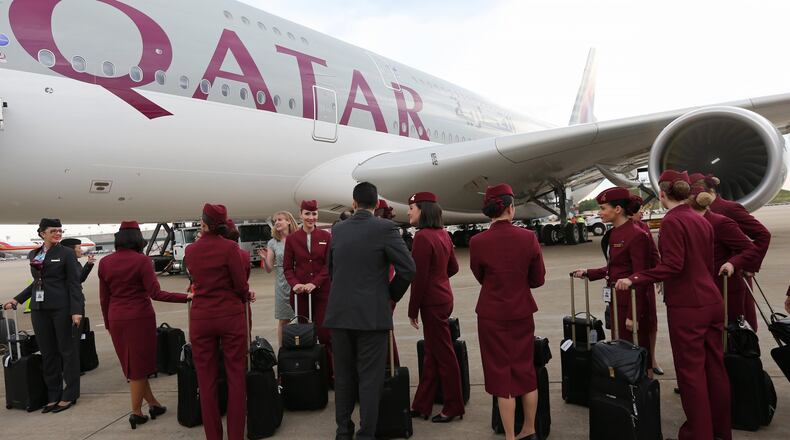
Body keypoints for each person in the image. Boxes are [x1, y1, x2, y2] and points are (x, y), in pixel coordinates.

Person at [615, 170, 731, 440]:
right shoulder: (701, 220)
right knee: (715, 369)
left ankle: (698, 434)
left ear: (662, 193)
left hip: (689, 306)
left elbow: (673, 266)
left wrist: (635, 278)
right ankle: (721, 431)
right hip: (712, 299)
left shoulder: (672, 222)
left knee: (691, 375)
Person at [324, 182, 415, 440]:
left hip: (339, 314)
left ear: (353, 204)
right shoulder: (385, 228)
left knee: (342, 377)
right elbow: (408, 269)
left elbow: (331, 268)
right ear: (376, 204)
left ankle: (343, 431)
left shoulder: (337, 230)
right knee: (369, 379)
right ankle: (366, 434)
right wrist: (388, 296)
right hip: (372, 316)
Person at [470, 184, 546, 440]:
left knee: (501, 375)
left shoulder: (477, 242)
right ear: (510, 208)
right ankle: (531, 429)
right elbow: (538, 279)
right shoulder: (529, 238)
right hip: (522, 310)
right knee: (525, 371)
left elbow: (480, 276)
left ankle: (510, 436)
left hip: (491, 313)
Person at [98, 221, 191, 429]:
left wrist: (107, 323)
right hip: (139, 318)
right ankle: (136, 413)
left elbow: (104, 298)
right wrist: (186, 297)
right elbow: (156, 293)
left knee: (133, 365)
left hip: (115, 318)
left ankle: (154, 404)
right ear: (137, 239)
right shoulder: (142, 261)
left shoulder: (105, 262)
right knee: (139, 367)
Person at [3, 218, 84, 414]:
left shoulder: (66, 253)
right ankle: (53, 394)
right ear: (42, 233)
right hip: (39, 309)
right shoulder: (34, 254)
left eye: (60, 230)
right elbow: (37, 281)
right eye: (53, 230)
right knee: (48, 353)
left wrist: (76, 310)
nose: (58, 233)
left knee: (67, 351)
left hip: (62, 308)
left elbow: (74, 283)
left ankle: (69, 394)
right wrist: (18, 299)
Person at [184, 204, 250, 440]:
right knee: (235, 378)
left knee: (207, 382)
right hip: (230, 316)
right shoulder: (230, 248)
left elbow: (195, 280)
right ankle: (235, 436)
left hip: (201, 318)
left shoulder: (190, 251)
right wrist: (243, 296)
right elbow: (241, 285)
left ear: (203, 223)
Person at [573, 189, 654, 374]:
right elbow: (615, 267)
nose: (599, 212)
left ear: (618, 209)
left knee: (637, 352)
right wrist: (589, 272)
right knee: (621, 351)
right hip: (617, 301)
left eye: (603, 208)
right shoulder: (615, 233)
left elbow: (641, 277)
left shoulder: (636, 234)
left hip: (631, 303)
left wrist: (634, 315)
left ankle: (642, 392)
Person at [406, 192, 464, 423]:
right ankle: (422, 404)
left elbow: (418, 278)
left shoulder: (422, 237)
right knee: (432, 352)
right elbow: (454, 268)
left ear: (423, 210)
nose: (409, 211)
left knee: (444, 355)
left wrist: (412, 310)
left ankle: (453, 405)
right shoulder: (443, 234)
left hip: (432, 303)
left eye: (412, 207)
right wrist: (439, 279)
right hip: (444, 298)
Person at [692, 173, 771, 330]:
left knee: (739, 328)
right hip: (712, 280)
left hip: (732, 277)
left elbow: (763, 234)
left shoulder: (728, 209)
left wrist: (748, 266)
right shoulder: (697, 213)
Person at [283, 199, 334, 379]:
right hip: (300, 294)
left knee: (325, 334)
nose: (311, 218)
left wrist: (316, 282)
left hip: (322, 293)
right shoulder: (292, 239)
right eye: (307, 214)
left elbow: (328, 265)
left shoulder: (326, 237)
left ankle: (330, 375)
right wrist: (295, 283)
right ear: (301, 215)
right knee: (304, 335)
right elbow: (287, 267)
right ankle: (308, 373)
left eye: (314, 214)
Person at [628, 196, 664, 375]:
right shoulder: (618, 231)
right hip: (625, 284)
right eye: (639, 209)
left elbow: (653, 252)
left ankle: (652, 359)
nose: (642, 212)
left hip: (645, 281)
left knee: (651, 322)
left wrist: (658, 275)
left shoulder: (643, 228)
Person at [259, 211, 299, 346]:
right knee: (283, 320)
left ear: (289, 221)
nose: (276, 222)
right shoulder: (273, 242)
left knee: (304, 317)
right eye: (275, 220)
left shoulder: (299, 238)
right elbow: (269, 268)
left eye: (280, 219)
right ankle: (283, 350)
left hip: (299, 279)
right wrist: (265, 259)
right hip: (282, 283)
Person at [374, 199, 400, 366]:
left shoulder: (386, 232)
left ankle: (389, 365)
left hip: (384, 289)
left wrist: (392, 294)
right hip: (384, 288)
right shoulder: (384, 231)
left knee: (382, 331)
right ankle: (389, 364)